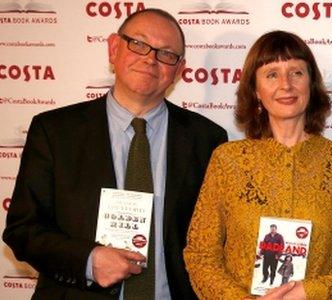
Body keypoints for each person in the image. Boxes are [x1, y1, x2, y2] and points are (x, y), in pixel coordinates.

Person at [2, 8, 228, 299]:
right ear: (113, 48)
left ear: (179, 70)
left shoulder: (208, 139)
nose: (150, 59)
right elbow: (23, 230)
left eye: (167, 54)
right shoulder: (55, 131)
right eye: (139, 44)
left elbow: (217, 241)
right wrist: (88, 260)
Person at [183, 30, 332, 300]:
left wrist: (309, 292)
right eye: (271, 74)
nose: (286, 85)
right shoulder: (227, 160)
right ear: (255, 90)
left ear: (311, 84)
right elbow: (201, 254)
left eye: (296, 73)